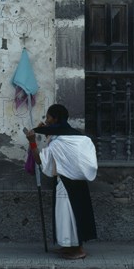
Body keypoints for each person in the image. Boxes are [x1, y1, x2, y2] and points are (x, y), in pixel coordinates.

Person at [25, 104, 98, 260]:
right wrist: (45, 131)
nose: (46, 120)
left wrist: (32, 142)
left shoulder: (59, 142)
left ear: (55, 118)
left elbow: (40, 160)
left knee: (68, 216)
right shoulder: (77, 137)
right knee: (76, 214)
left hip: (66, 184)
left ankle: (77, 250)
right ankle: (71, 246)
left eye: (48, 117)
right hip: (78, 183)